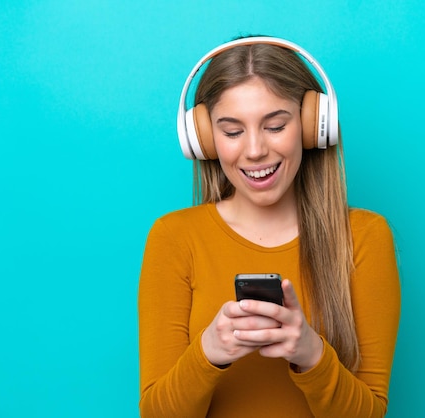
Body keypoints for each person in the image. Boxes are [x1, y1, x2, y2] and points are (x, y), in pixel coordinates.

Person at [138, 36, 401, 417]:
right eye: (232, 131)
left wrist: (311, 353)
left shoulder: (364, 238)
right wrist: (208, 352)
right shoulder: (173, 238)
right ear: (204, 139)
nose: (255, 149)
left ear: (314, 126)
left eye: (275, 125)